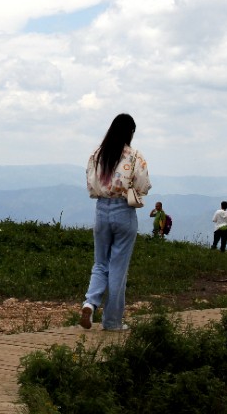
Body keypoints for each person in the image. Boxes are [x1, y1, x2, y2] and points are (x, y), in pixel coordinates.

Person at [80, 113, 151, 332]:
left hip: (101, 210)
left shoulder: (97, 154)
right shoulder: (134, 157)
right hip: (124, 212)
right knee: (118, 267)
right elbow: (143, 185)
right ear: (130, 132)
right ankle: (112, 322)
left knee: (100, 263)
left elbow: (90, 183)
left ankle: (90, 303)